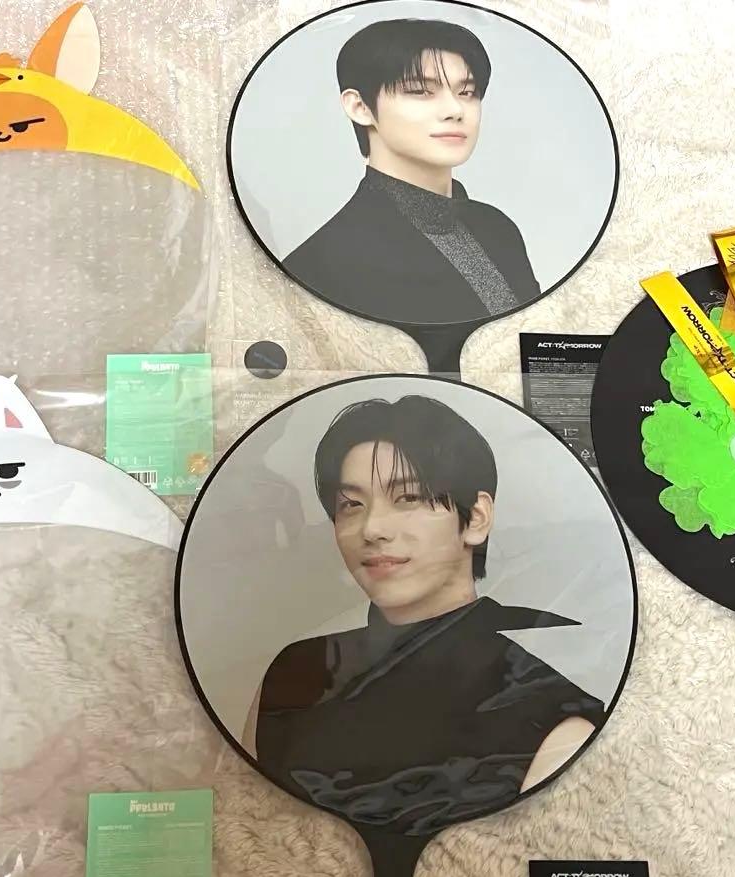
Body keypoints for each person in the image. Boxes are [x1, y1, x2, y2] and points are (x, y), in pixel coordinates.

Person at [242, 396, 603, 836]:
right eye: (351, 505)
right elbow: (245, 833)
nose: (372, 529)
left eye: (408, 497)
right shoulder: (292, 674)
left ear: (476, 518)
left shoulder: (550, 718)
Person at [282, 19, 540, 328]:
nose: (455, 110)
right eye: (420, 91)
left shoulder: (498, 230)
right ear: (360, 106)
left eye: (467, 92)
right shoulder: (320, 264)